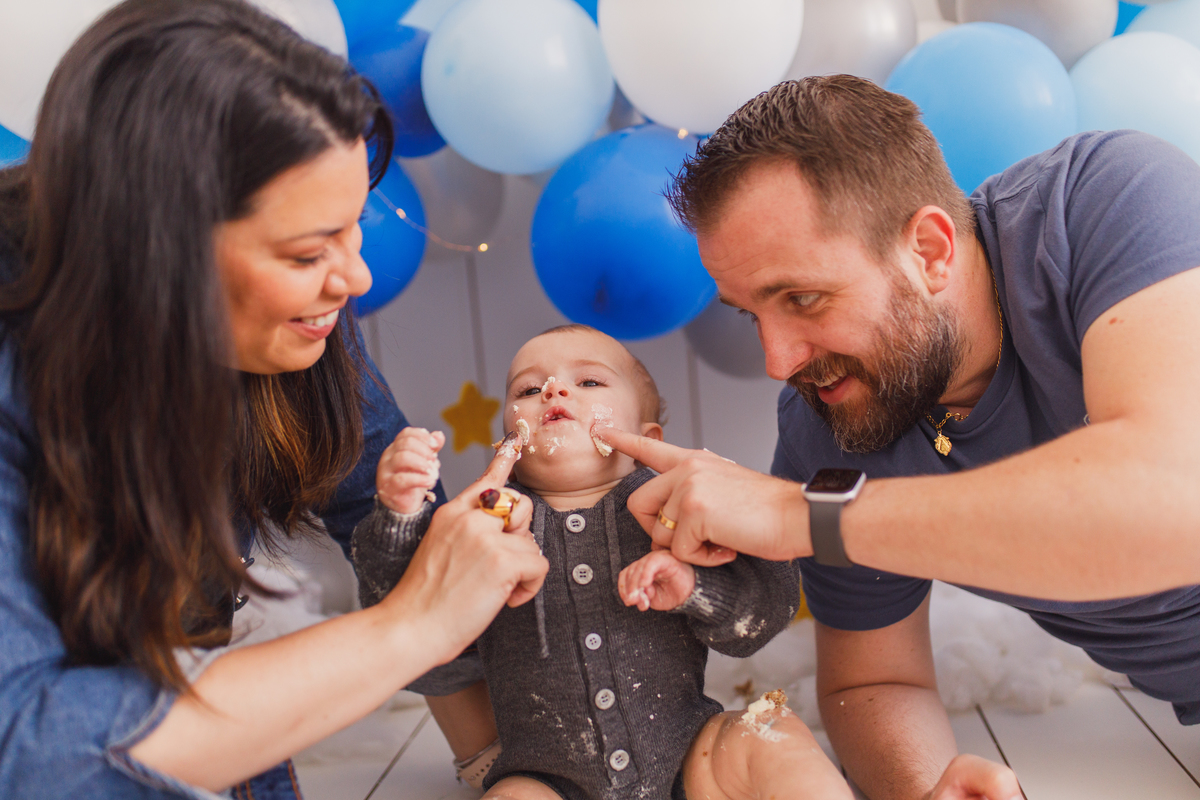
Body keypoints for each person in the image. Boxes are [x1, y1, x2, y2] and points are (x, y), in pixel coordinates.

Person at [593, 75, 1200, 800]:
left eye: (804, 298)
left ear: (931, 251)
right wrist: (924, 789)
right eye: (752, 314)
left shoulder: (1111, 199)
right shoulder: (831, 420)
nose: (778, 363)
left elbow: (1172, 498)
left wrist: (800, 518)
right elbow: (876, 677)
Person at [0, 2, 547, 798]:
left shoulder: (292, 311)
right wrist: (413, 624)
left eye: (354, 225)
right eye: (306, 252)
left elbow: (380, 515)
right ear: (153, 247)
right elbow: (31, 751)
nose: (354, 278)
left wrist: (497, 767)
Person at [352, 324, 852, 800]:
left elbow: (760, 622)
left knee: (770, 731)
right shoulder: (488, 529)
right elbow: (419, 656)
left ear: (648, 437)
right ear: (509, 441)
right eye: (527, 390)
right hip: (545, 779)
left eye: (588, 381)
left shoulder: (676, 509)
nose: (552, 391)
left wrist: (697, 588)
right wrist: (400, 517)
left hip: (689, 755)